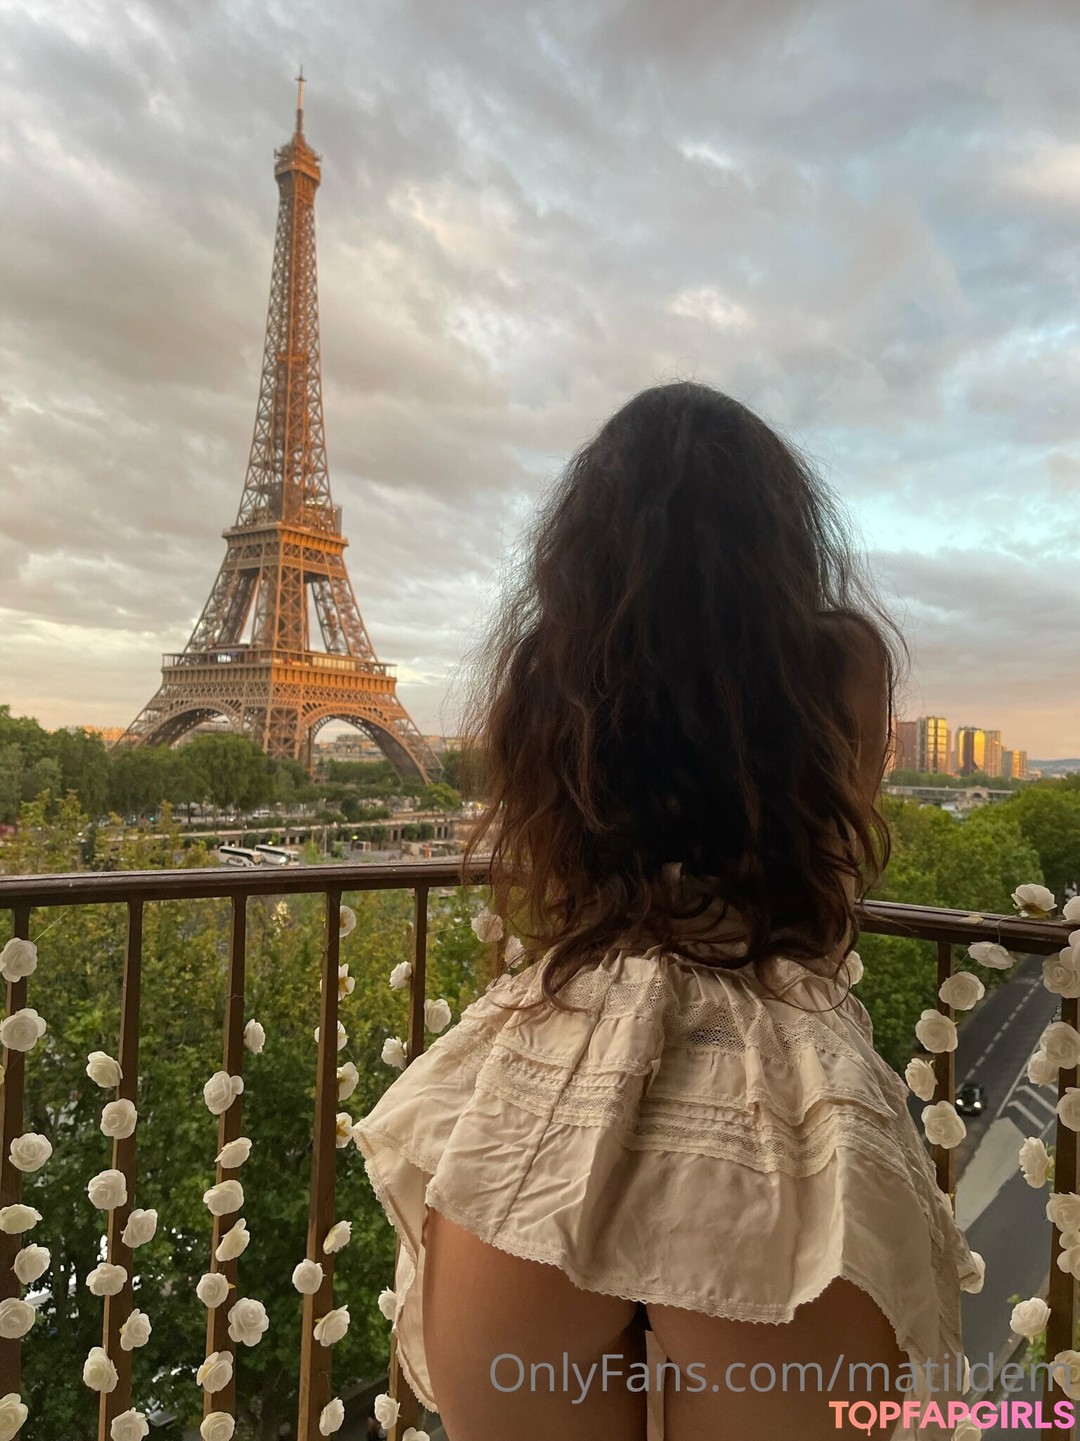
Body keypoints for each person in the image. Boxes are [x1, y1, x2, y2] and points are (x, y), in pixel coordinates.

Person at [354, 382, 980, 1441]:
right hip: (767, 1136)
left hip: (545, 1120)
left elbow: (560, 889)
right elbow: (827, 892)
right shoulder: (842, 663)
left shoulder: (547, 672)